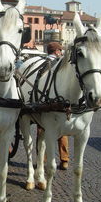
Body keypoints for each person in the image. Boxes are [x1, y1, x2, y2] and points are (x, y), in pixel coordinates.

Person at [36, 41, 70, 170]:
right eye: (60, 50)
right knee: (62, 132)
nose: (61, 52)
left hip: (43, 102)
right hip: (60, 101)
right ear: (57, 51)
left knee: (41, 131)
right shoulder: (61, 64)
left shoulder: (42, 64)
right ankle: (64, 159)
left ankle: (42, 159)